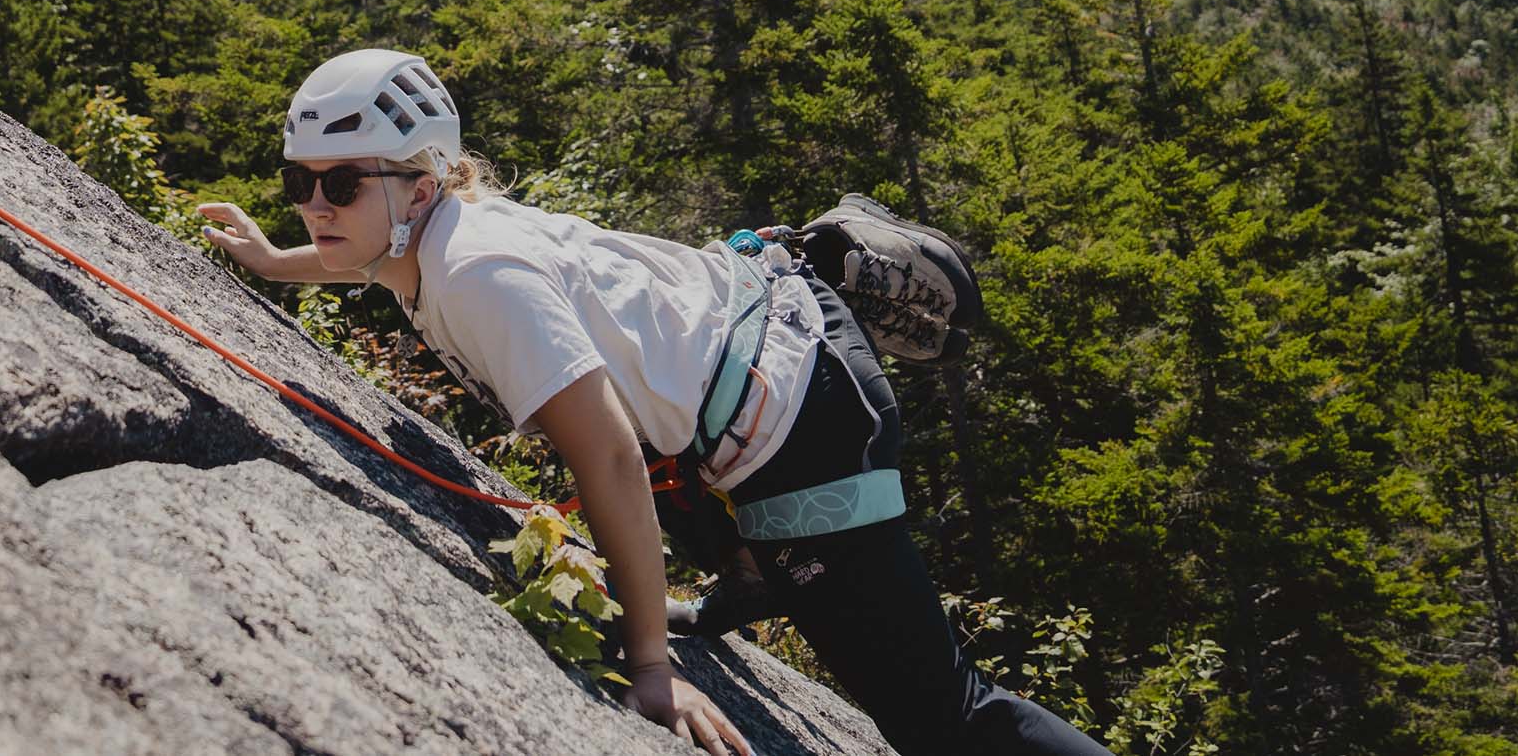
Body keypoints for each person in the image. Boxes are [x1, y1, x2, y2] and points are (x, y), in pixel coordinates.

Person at [198, 47, 1110, 756]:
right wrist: (276, 262)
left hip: (808, 421)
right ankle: (754, 570)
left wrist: (650, 668)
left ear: (422, 184)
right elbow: (359, 251)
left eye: (343, 181)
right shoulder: (419, 236)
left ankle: (767, 565)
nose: (316, 203)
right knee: (668, 448)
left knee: (939, 714)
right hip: (769, 361)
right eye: (299, 181)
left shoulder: (476, 271)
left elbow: (610, 458)